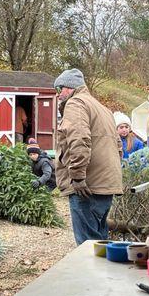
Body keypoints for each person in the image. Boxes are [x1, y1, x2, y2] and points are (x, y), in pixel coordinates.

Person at [54, 69, 122, 245]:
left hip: (87, 185)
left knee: (87, 248)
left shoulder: (76, 104)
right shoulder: (102, 108)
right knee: (100, 243)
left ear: (68, 87)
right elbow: (118, 147)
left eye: (59, 89)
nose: (59, 94)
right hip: (105, 183)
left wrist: (77, 176)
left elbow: (79, 139)